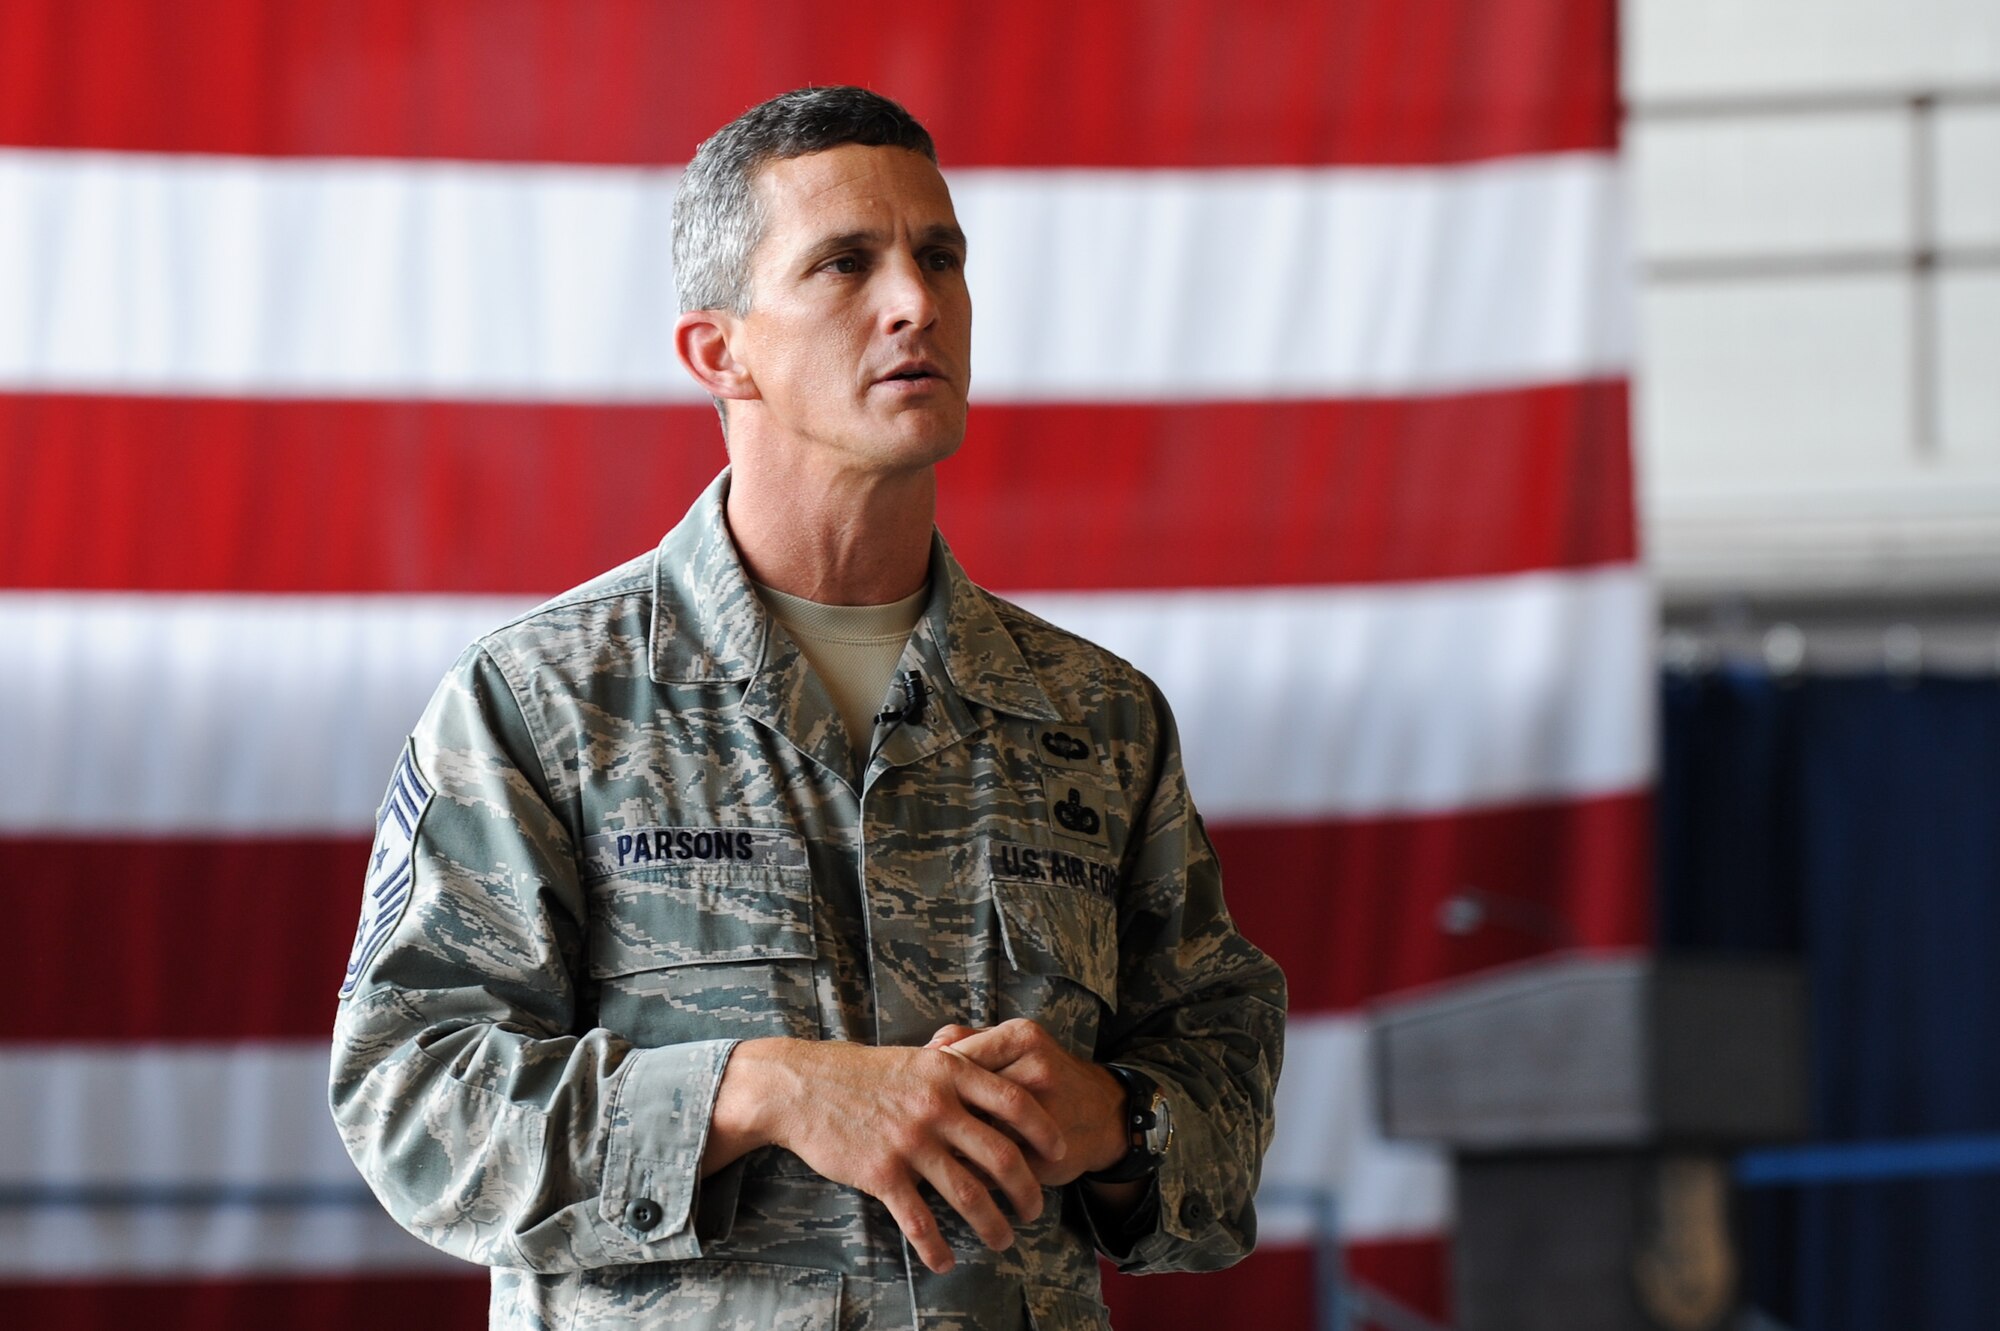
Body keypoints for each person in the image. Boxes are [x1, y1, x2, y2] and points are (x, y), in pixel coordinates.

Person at [331, 86, 1286, 1331]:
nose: (915, 302)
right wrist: (763, 1088)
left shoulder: (1095, 718)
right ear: (717, 353)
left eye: (938, 256)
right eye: (846, 263)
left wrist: (1113, 1120)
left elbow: (1221, 1095)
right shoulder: (540, 701)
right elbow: (413, 1106)